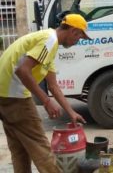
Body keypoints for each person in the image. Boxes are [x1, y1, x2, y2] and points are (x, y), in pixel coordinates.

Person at [0, 13, 89, 172]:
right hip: (14, 95)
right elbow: (23, 71)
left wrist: (71, 112)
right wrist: (46, 102)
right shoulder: (50, 40)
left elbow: (53, 86)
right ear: (74, 31)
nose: (77, 42)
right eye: (79, 38)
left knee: (20, 147)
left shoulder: (48, 43)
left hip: (4, 95)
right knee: (41, 148)